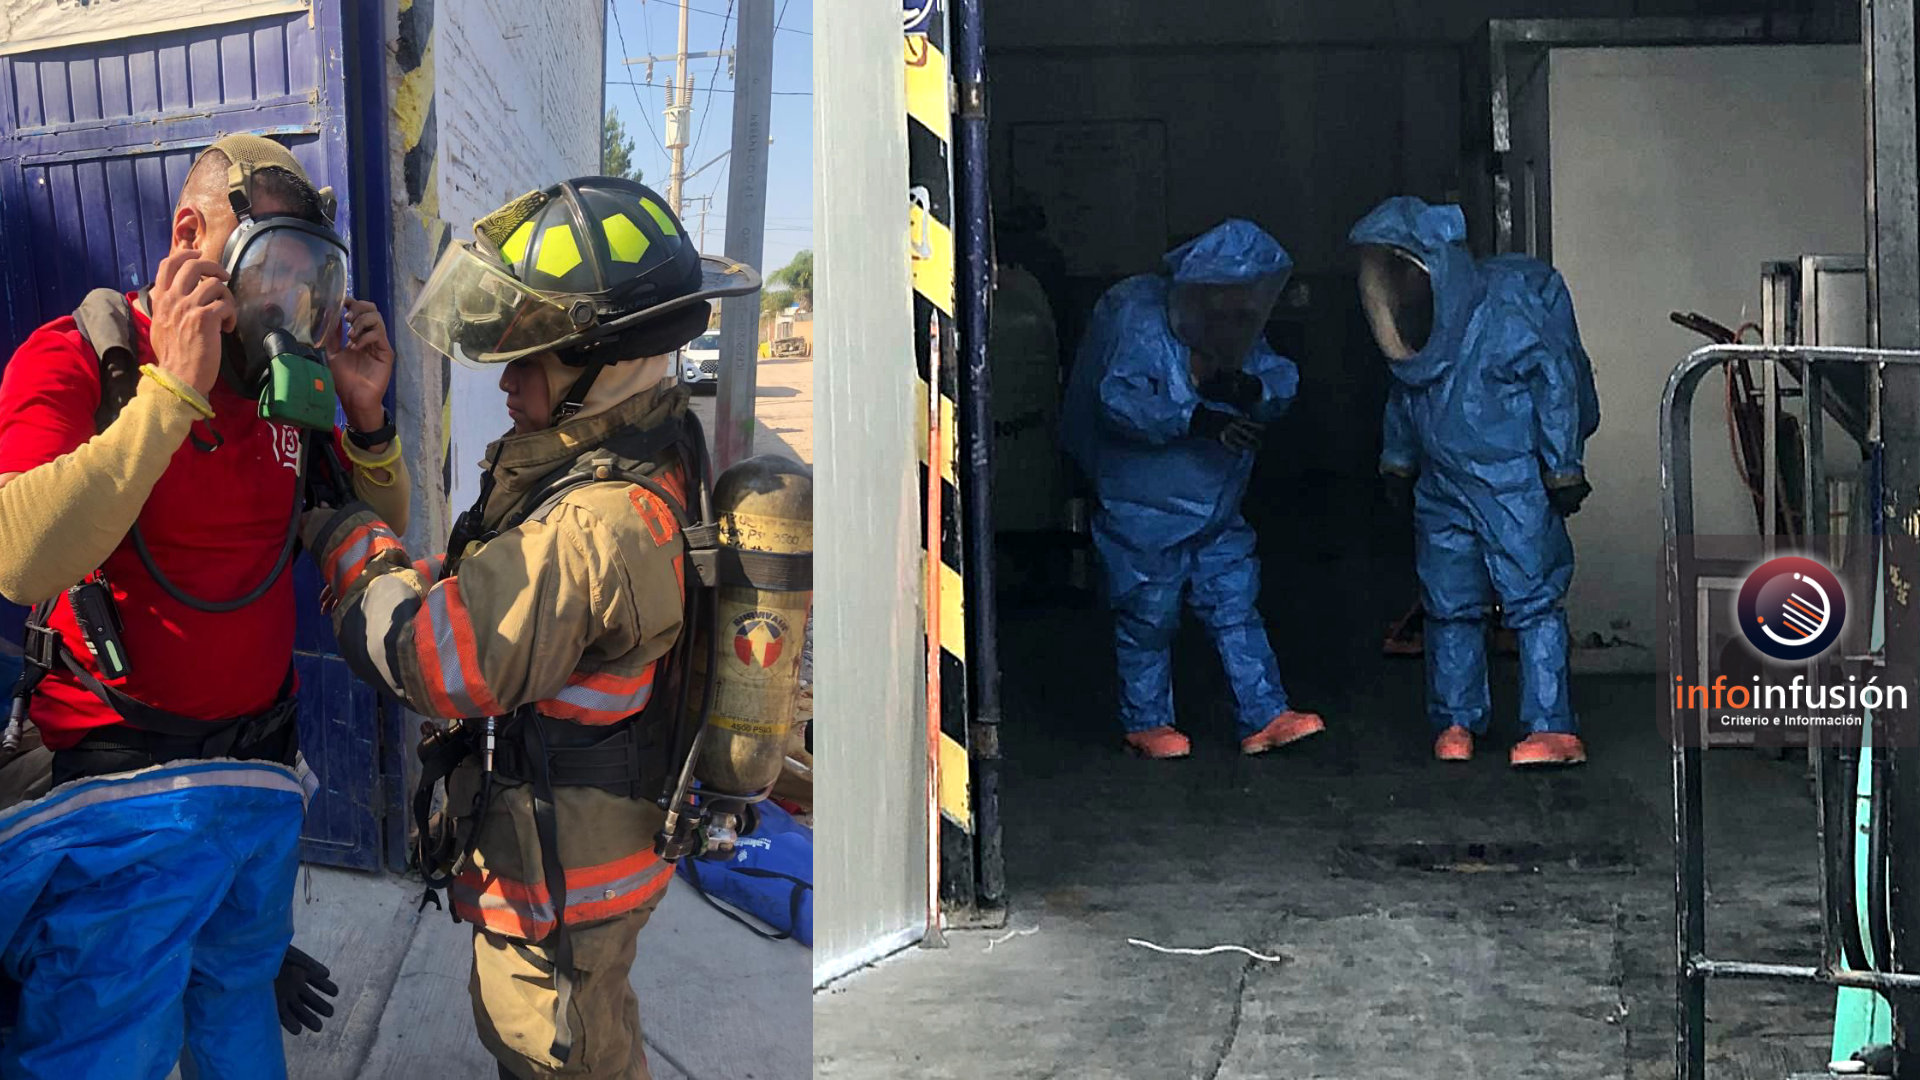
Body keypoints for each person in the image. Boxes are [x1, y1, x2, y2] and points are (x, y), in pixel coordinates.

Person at [302, 176, 759, 1080]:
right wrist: (423, 567)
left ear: (603, 361)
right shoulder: (635, 453)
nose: (508, 384)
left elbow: (433, 659)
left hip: (565, 892)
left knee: (560, 1050)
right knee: (587, 1031)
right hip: (588, 866)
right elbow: (503, 587)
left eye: (533, 360)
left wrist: (350, 542)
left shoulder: (596, 524)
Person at [0, 135, 406, 1076]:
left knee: (236, 1028)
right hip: (120, 811)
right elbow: (20, 557)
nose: (290, 305)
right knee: (107, 1050)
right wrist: (169, 392)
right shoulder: (74, 361)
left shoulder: (281, 399)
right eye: (272, 267)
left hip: (255, 794)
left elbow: (372, 529)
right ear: (192, 234)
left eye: (314, 281)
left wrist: (370, 420)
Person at [1348, 195, 1600, 767]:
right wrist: (1398, 462)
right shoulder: (1418, 332)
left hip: (1511, 481)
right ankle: (1456, 720)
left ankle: (1552, 726)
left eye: (1405, 273)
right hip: (1443, 483)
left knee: (1531, 599)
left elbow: (1555, 382)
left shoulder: (1506, 310)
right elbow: (1407, 387)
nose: (1397, 289)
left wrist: (1562, 466)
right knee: (1448, 601)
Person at [1060, 219, 1326, 759]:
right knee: (1148, 612)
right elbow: (1119, 402)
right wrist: (1197, 418)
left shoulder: (1235, 331)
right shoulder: (1140, 322)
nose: (1233, 313)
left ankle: (1264, 714)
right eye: (1224, 298)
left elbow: (1279, 377)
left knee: (1234, 601)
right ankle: (1148, 720)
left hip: (1216, 505)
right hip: (1144, 508)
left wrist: (1250, 388)